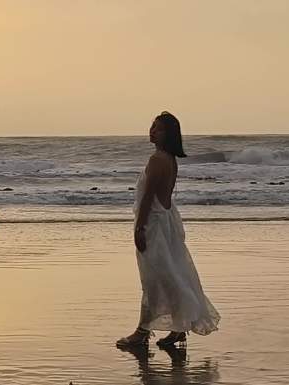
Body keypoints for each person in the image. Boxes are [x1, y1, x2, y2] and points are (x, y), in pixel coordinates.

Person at [116, 111, 220, 348]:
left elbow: (148, 197)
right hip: (166, 221)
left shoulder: (158, 159)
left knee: (154, 279)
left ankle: (143, 332)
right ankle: (178, 328)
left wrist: (140, 227)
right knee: (169, 275)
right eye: (152, 126)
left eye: (158, 128)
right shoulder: (169, 159)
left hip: (154, 224)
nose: (152, 131)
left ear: (169, 135)